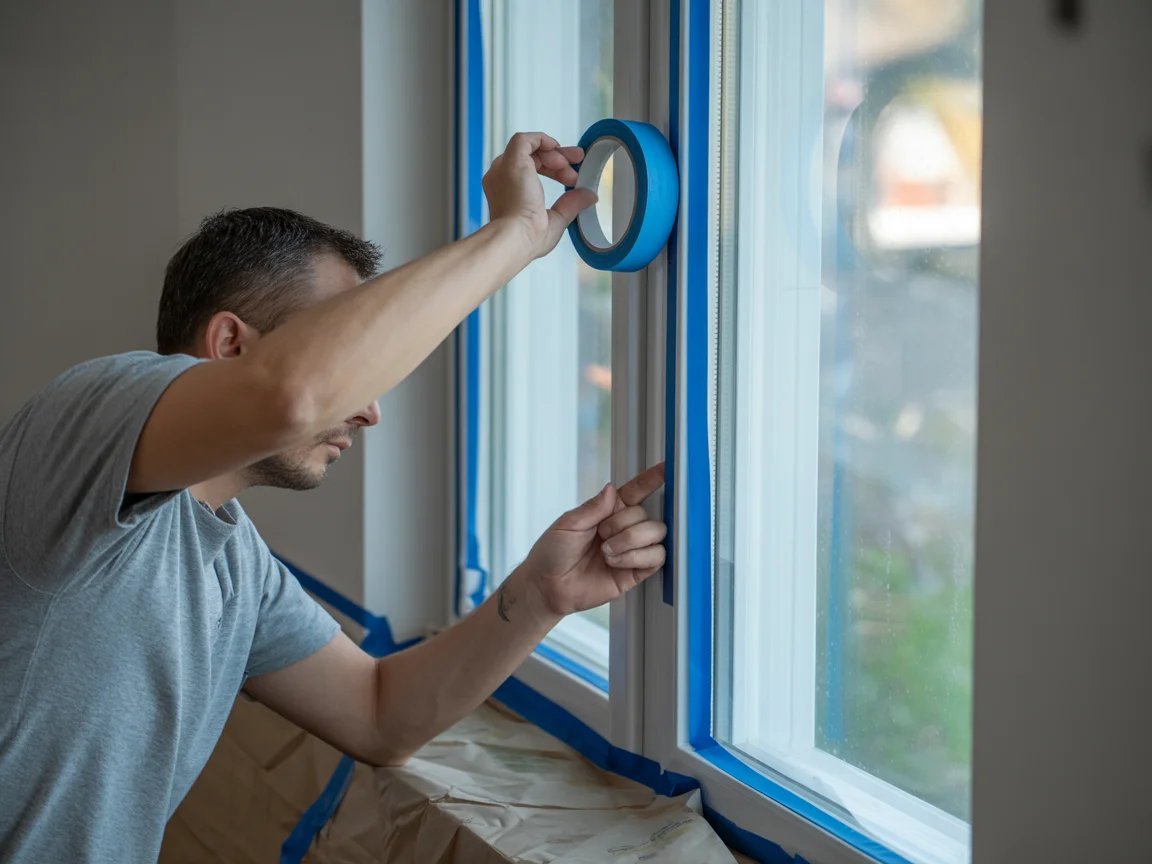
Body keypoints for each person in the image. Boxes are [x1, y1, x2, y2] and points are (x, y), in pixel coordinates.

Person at [0, 133, 667, 862]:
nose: (370, 411)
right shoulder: (85, 417)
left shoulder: (234, 563)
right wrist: (515, 236)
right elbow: (290, 395)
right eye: (351, 362)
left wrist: (540, 594)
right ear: (231, 345)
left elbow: (381, 717)